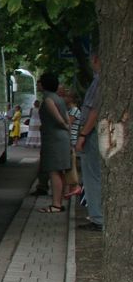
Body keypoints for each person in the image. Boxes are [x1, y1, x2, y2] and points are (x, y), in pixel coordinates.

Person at [35, 73, 72, 214]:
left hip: (54, 138)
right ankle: (59, 201)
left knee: (54, 171)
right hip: (61, 138)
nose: (38, 85)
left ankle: (56, 204)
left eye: (40, 82)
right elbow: (66, 118)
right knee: (60, 170)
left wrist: (64, 126)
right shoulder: (59, 99)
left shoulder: (48, 99)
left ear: (44, 85)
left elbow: (59, 119)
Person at [75, 54, 102, 231]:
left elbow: (95, 110)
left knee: (92, 175)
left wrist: (83, 134)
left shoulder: (100, 81)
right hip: (94, 133)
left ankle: (98, 217)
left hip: (92, 134)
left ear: (96, 59)